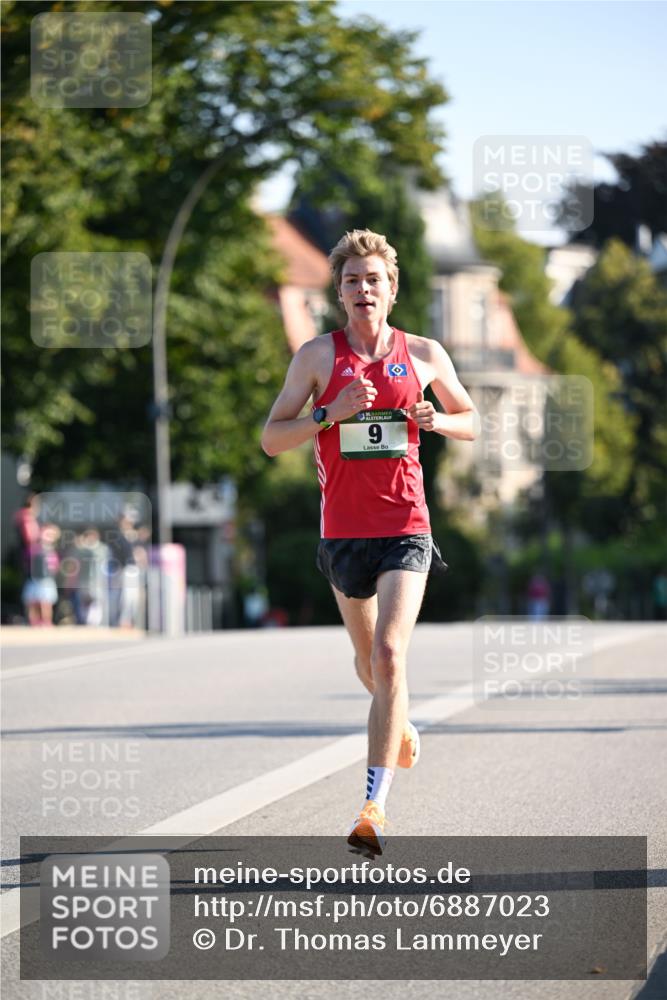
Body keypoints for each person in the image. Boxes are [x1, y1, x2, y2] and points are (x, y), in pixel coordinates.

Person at [261, 228, 478, 856]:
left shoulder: (425, 354)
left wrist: (440, 420)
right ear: (340, 292)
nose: (363, 289)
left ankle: (372, 808)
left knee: (388, 654)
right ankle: (397, 720)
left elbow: (471, 420)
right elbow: (272, 439)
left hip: (406, 526)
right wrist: (329, 413)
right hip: (343, 534)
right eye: (352, 280)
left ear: (391, 289)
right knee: (367, 663)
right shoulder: (316, 357)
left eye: (373, 279)